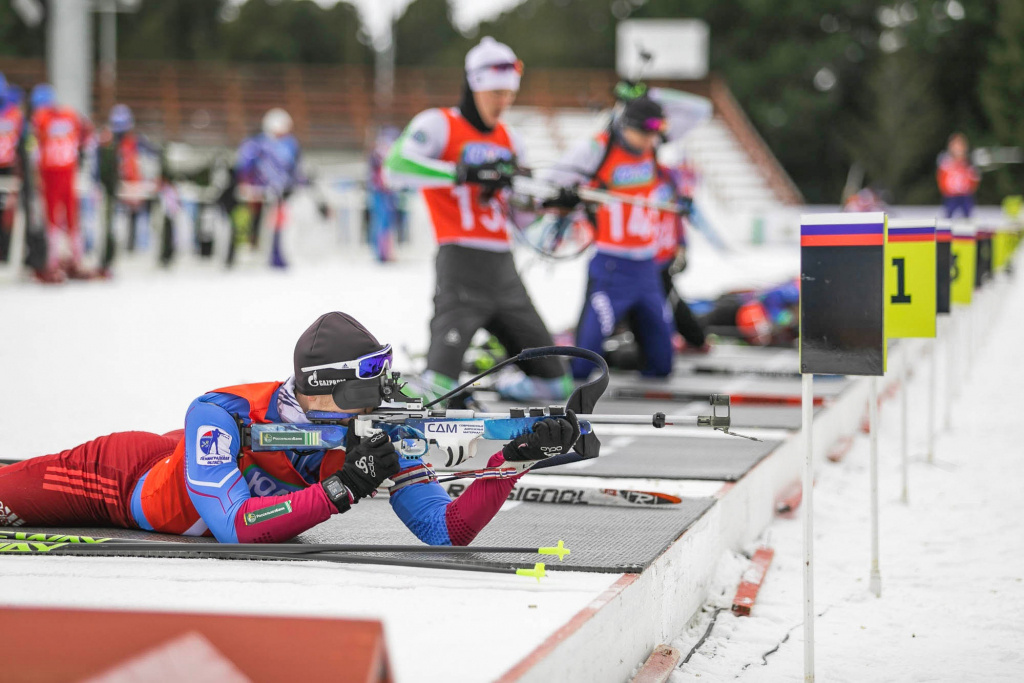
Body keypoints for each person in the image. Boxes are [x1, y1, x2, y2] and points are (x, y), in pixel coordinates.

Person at [0, 312, 580, 545]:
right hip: (118, 480)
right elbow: (234, 527)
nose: (375, 405)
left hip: (184, 475)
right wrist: (341, 488)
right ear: (321, 390)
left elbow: (446, 530)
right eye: (361, 393)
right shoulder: (221, 411)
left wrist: (510, 462)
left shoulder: (375, 429)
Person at [384, 37, 571, 404]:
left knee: (557, 384)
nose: (503, 102)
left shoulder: (511, 139)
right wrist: (462, 172)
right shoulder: (439, 124)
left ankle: (498, 383)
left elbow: (520, 216)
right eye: (496, 93)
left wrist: (552, 204)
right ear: (474, 86)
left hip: (505, 271)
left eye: (509, 94)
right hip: (461, 267)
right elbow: (395, 168)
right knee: (437, 389)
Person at [543, 96, 679, 379]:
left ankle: (620, 357)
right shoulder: (597, 149)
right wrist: (569, 196)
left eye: (654, 134)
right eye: (644, 133)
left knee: (662, 364)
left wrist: (647, 96)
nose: (650, 140)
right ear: (626, 125)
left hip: (647, 268)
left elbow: (697, 113)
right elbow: (550, 185)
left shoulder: (652, 147)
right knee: (583, 364)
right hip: (611, 267)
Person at [223, 108, 306, 268]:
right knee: (248, 224)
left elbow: (295, 168)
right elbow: (244, 166)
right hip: (256, 194)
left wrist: (296, 185)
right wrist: (246, 185)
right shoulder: (255, 143)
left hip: (280, 193)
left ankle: (276, 256)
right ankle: (239, 256)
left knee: (278, 225)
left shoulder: (291, 144)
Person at [30, 83, 92, 280]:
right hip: (68, 172)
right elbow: (87, 134)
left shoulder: (41, 119)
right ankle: (76, 258)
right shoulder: (70, 115)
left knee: (52, 220)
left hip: (51, 174)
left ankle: (53, 261)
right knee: (71, 217)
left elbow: (34, 148)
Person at [0, 72, 25, 264]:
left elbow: (22, 143)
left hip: (8, 168)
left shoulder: (15, 114)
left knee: (7, 212)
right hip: (8, 167)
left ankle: (5, 253)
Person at [937, 132, 980, 219]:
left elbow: (974, 178)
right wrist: (945, 189)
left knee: (967, 215)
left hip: (965, 194)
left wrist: (971, 187)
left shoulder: (968, 163)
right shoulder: (946, 162)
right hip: (951, 195)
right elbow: (942, 178)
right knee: (948, 214)